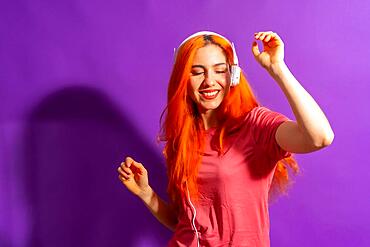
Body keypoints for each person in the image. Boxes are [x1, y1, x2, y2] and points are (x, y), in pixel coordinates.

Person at [117, 30, 334, 247]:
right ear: (183, 79)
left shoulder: (256, 125)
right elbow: (185, 223)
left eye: (219, 70)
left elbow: (320, 137)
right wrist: (146, 193)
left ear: (233, 75)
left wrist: (277, 69)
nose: (209, 81)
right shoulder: (181, 140)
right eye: (197, 72)